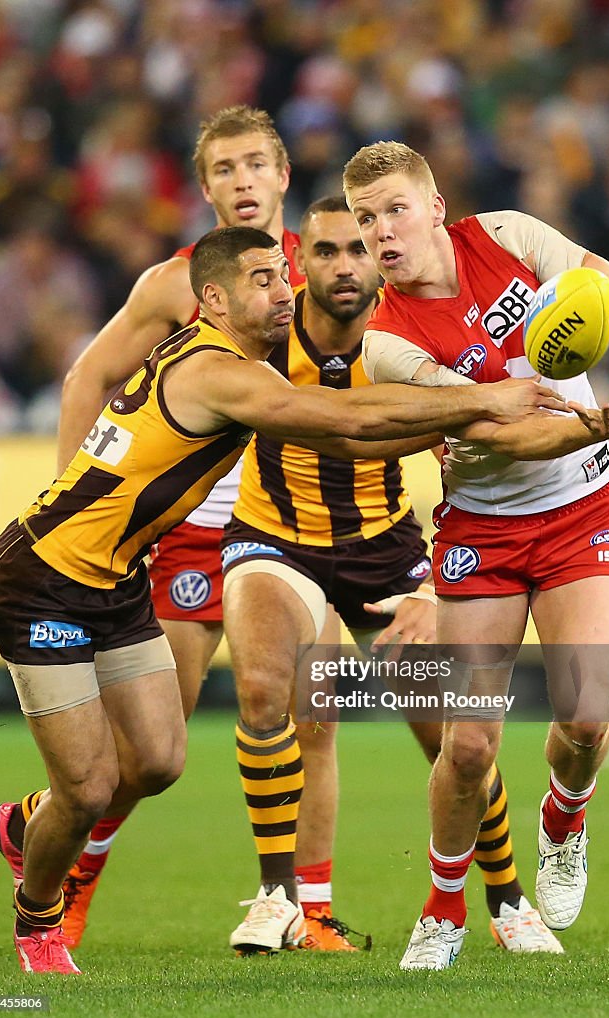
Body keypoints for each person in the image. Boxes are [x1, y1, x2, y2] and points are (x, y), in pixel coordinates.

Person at [0, 225, 573, 974]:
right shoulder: (218, 371)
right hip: (43, 580)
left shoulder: (241, 366)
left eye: (281, 274)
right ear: (216, 299)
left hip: (117, 579)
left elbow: (351, 440)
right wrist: (484, 398)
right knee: (92, 783)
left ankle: (26, 823)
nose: (283, 289)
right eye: (264, 279)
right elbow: (351, 419)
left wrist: (476, 419)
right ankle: (38, 920)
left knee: (159, 762)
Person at [342, 140, 609, 970]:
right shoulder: (384, 344)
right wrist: (594, 422)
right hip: (482, 532)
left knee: (586, 721)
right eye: (365, 219)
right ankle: (443, 909)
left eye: (394, 211)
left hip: (582, 508)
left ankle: (566, 818)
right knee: (470, 746)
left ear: (436, 206)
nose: (381, 233)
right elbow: (498, 431)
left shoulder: (511, 237)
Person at [221, 195, 566, 956]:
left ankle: (508, 898)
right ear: (297, 264)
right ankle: (278, 899)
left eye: (359, 250)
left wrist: (433, 586)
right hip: (276, 539)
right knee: (262, 686)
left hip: (386, 548)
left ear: (379, 259)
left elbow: (467, 467)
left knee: (453, 735)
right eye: (326, 252)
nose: (346, 265)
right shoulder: (257, 337)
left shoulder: (406, 335)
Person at [54, 105, 311, 948]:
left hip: (293, 522)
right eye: (225, 170)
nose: (242, 182)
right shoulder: (175, 283)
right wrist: (74, 496)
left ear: (282, 175)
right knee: (155, 747)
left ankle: (309, 910)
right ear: (205, 189)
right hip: (196, 525)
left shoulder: (332, 263)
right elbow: (90, 375)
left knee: (314, 715)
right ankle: (67, 871)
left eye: (255, 166)